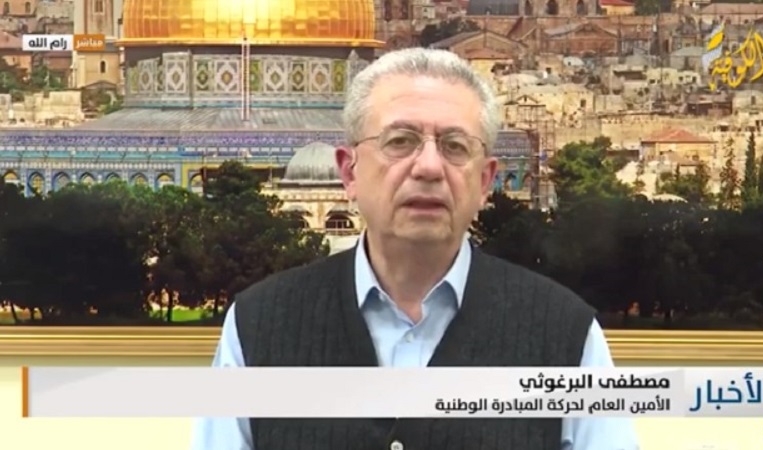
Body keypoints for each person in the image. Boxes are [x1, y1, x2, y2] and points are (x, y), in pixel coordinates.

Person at [190, 47, 640, 450]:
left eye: (455, 146)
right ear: (349, 172)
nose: (428, 167)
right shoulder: (256, 327)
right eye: (400, 142)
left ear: (486, 181)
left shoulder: (566, 336)